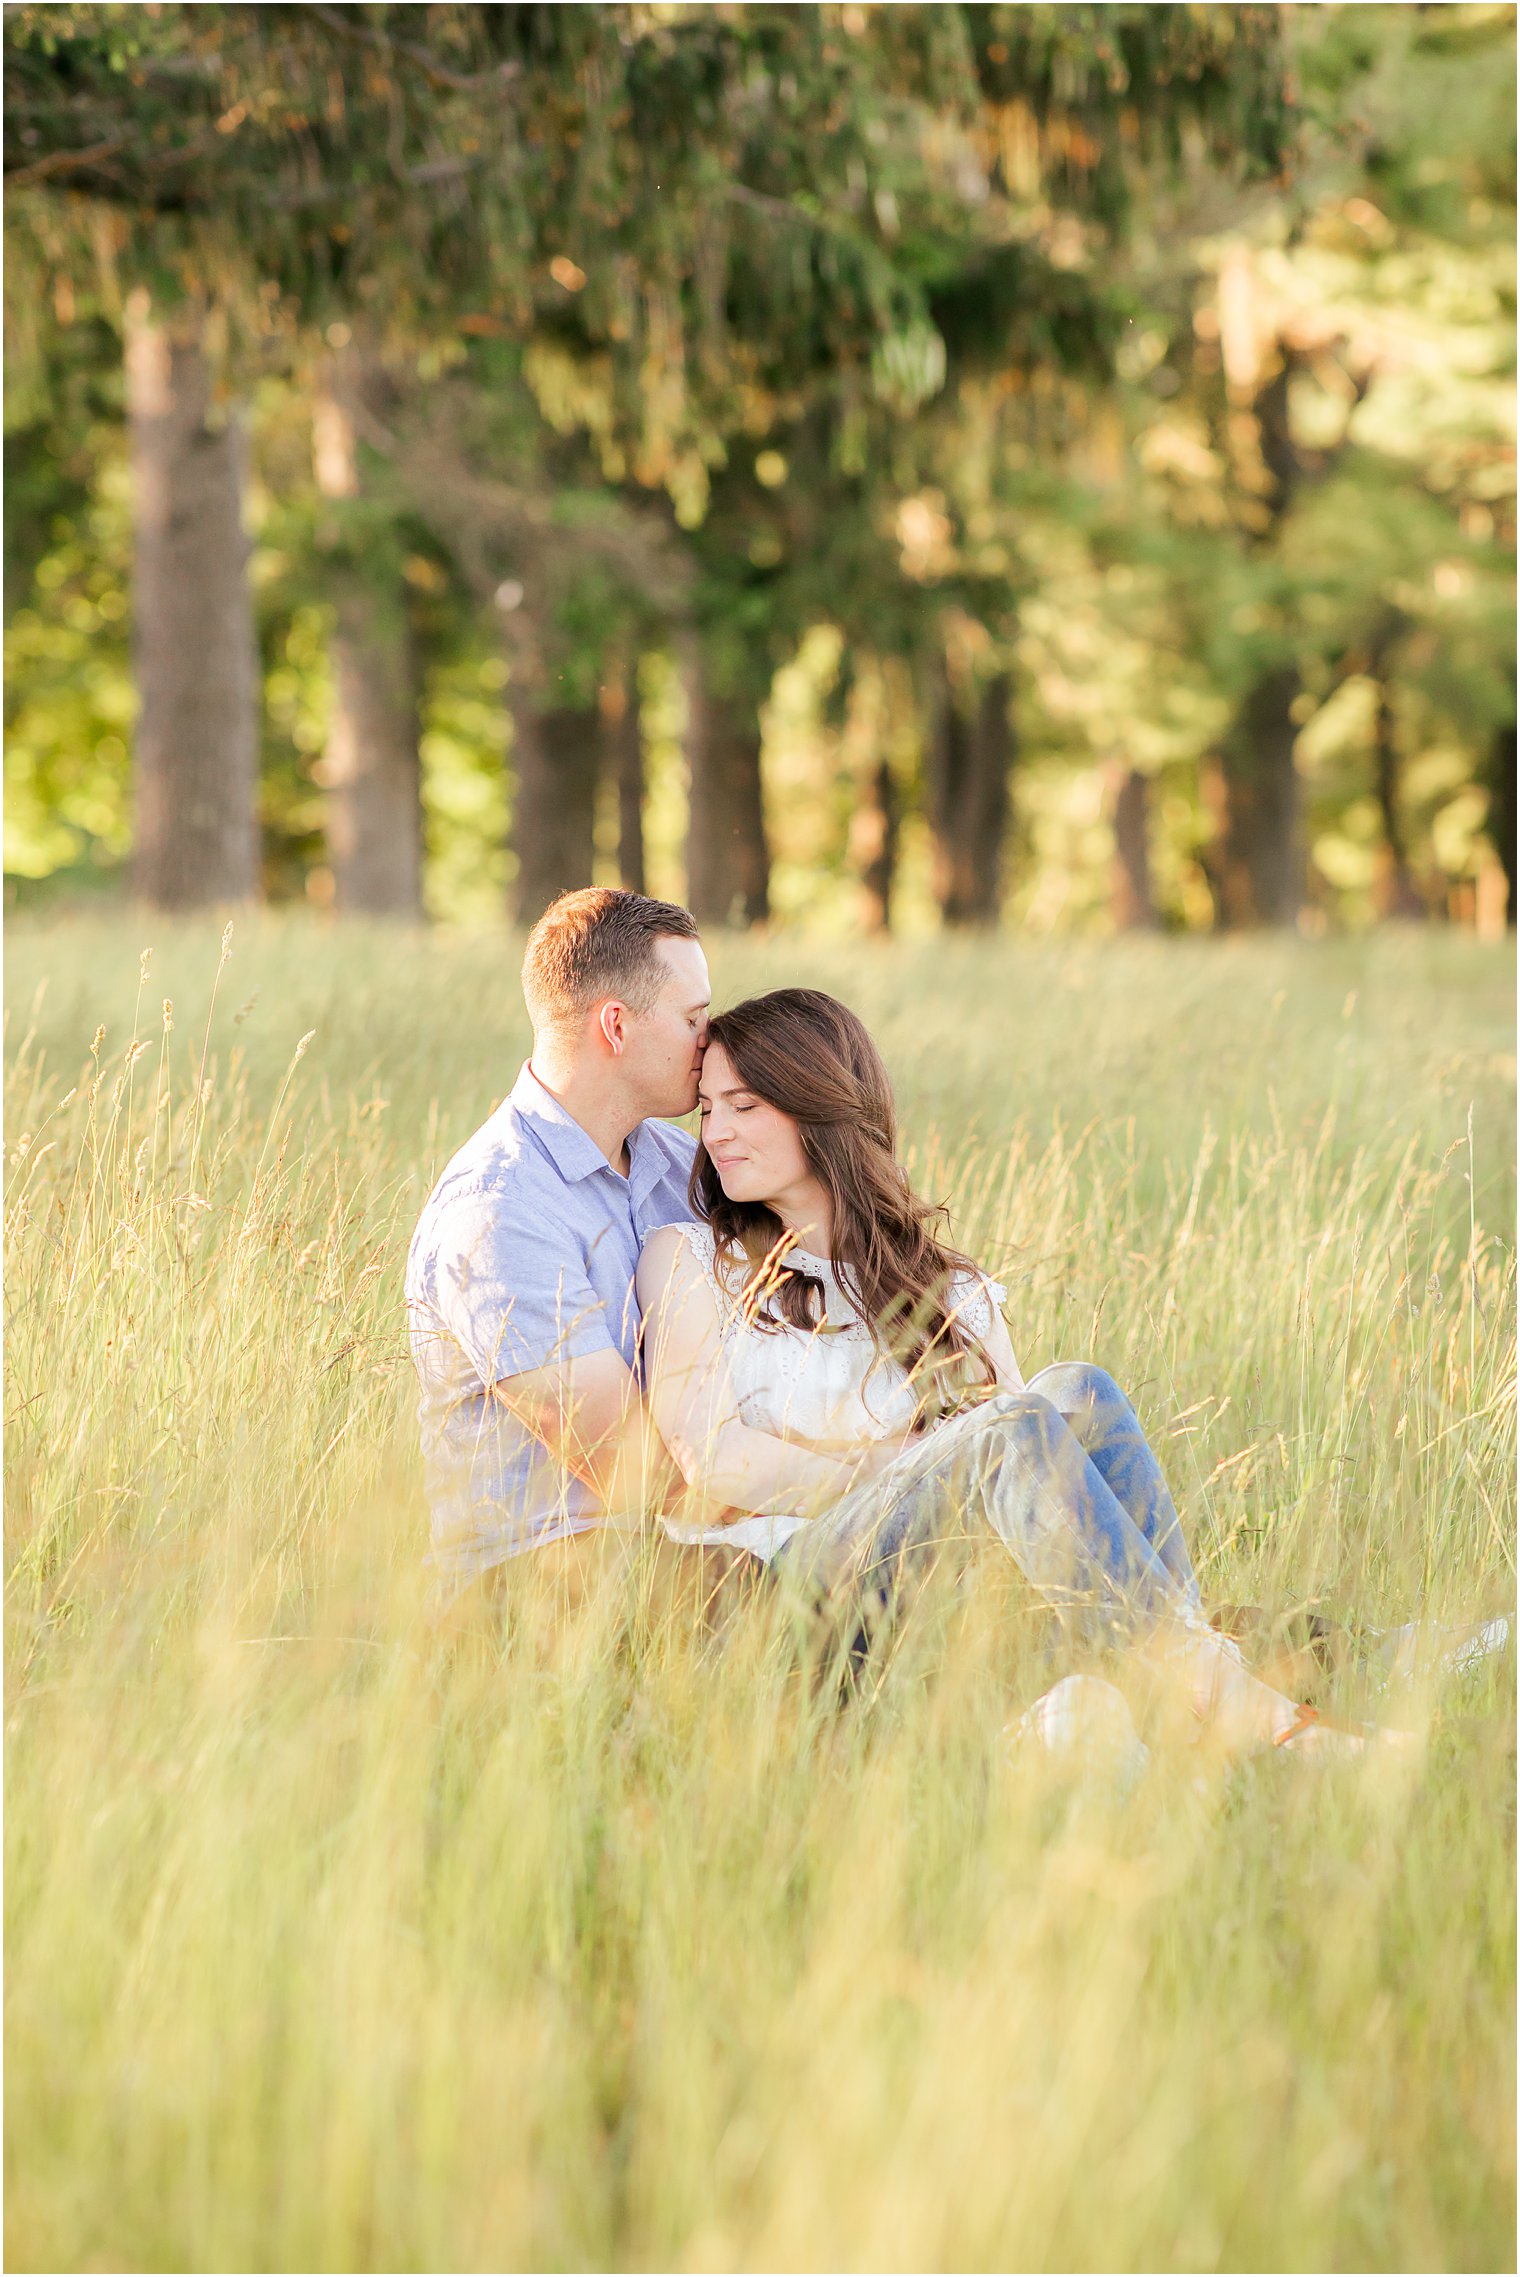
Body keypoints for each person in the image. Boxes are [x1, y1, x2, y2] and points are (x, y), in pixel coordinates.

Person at [637, 988, 1402, 1761]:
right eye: (707, 1109)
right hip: (795, 1586)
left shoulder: (944, 1287)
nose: (717, 1134)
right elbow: (714, 1459)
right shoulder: (690, 1260)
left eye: (744, 1105)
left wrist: (951, 1467)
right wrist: (902, 1466)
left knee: (1077, 1389)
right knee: (1002, 1430)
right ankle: (1237, 1703)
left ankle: (1197, 1696)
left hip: (941, 1588)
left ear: (820, 1106)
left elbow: (1026, 1475)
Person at [406, 886, 734, 1616]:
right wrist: (834, 1499)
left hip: (675, 1556)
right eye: (692, 1019)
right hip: (536, 1590)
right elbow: (632, 1470)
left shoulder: (675, 1167)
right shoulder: (499, 1209)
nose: (711, 1041)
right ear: (615, 1025)